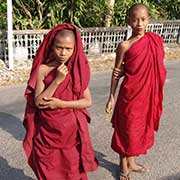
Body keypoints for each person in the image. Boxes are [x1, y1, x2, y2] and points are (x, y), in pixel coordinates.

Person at [23, 23, 98, 180]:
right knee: (49, 171)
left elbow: (87, 101)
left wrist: (61, 104)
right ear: (52, 46)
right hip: (47, 133)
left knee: (71, 171)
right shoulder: (43, 69)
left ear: (75, 49)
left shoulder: (77, 70)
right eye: (59, 47)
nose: (63, 53)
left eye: (68, 49)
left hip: (70, 134)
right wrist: (57, 81)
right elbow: (39, 102)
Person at [105, 3, 167, 180]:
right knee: (126, 129)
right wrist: (111, 96)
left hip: (146, 95)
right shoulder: (124, 45)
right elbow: (116, 72)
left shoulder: (155, 40)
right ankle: (123, 165)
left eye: (143, 19)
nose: (139, 23)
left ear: (148, 20)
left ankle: (131, 162)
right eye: (135, 19)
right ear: (128, 21)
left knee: (138, 130)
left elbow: (158, 68)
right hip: (130, 95)